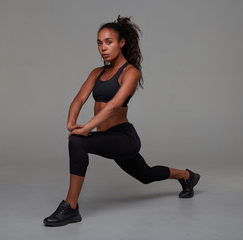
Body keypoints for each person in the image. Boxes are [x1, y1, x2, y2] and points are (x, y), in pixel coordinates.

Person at [43, 15, 200, 227]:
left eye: (109, 42)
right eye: (99, 43)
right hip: (108, 137)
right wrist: (71, 123)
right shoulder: (97, 73)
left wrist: (86, 128)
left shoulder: (130, 72)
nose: (103, 48)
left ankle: (70, 207)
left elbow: (115, 104)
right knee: (146, 175)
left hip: (123, 137)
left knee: (77, 142)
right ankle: (186, 176)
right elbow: (79, 99)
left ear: (121, 42)